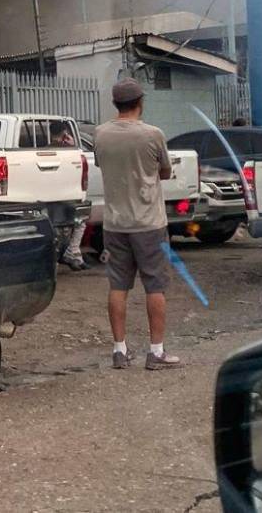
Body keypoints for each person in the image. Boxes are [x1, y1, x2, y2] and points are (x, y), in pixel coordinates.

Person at [94, 78, 182, 371]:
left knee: (118, 285)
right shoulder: (153, 135)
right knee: (155, 285)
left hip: (115, 224)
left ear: (115, 103)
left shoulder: (101, 134)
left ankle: (119, 350)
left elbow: (101, 164)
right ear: (140, 102)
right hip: (149, 223)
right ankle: (155, 352)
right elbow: (166, 172)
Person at [49, 121, 88, 272]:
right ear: (65, 133)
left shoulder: (43, 150)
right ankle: (73, 253)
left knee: (52, 228)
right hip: (66, 197)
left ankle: (58, 258)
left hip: (47, 197)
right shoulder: (71, 151)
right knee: (80, 221)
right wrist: (73, 145)